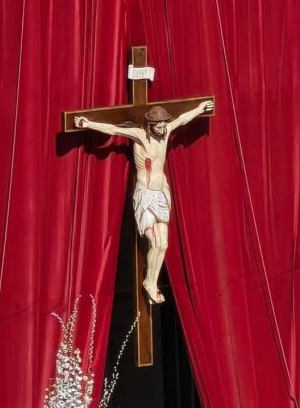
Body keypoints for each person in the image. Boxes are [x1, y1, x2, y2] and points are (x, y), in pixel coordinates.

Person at [74, 100, 213, 304]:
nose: (162, 127)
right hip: (145, 195)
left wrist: (200, 109)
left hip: (161, 193)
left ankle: (151, 281)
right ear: (149, 124)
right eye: (158, 124)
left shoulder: (165, 132)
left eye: (164, 123)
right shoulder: (139, 135)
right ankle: (150, 284)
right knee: (155, 241)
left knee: (163, 244)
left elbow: (183, 120)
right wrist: (88, 124)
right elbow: (113, 129)